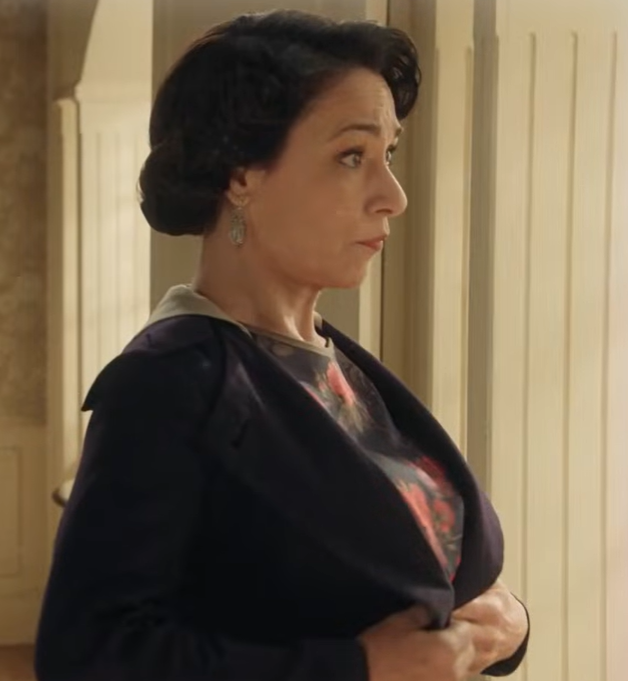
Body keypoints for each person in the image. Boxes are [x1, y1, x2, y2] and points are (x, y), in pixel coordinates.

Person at [35, 9, 529, 681]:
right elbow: (86, 655)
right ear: (241, 175)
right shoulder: (167, 381)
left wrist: (508, 622)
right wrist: (356, 666)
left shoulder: (334, 363)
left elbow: (431, 571)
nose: (393, 196)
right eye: (351, 156)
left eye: (388, 155)